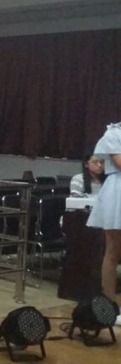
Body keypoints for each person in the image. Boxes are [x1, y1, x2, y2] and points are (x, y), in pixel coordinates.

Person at [85, 123, 121, 326]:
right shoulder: (114, 132)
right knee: (113, 252)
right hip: (118, 191)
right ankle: (110, 307)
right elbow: (119, 161)